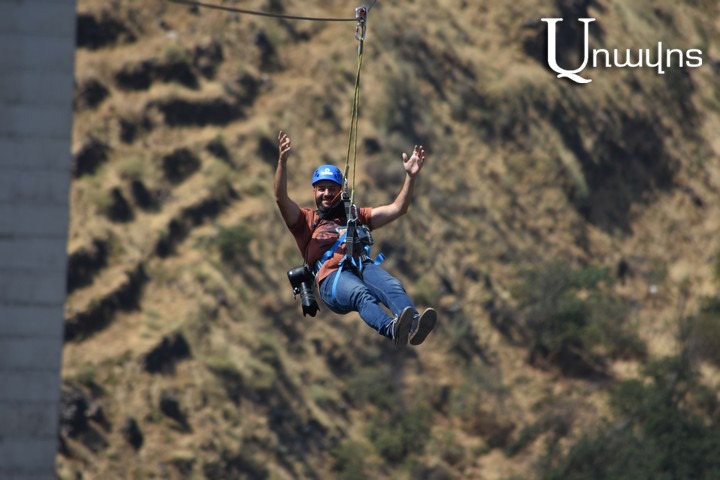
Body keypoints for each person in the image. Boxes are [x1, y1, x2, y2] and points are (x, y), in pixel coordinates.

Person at [274, 130, 436, 347]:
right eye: (321, 189)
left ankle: (414, 324)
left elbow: (398, 208)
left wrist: (411, 177)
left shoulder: (355, 215)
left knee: (393, 286)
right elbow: (280, 198)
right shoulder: (306, 221)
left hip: (361, 267)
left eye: (332, 189)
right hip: (331, 279)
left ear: (341, 191)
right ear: (314, 192)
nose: (326, 193)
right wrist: (282, 163)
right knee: (360, 294)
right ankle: (391, 329)